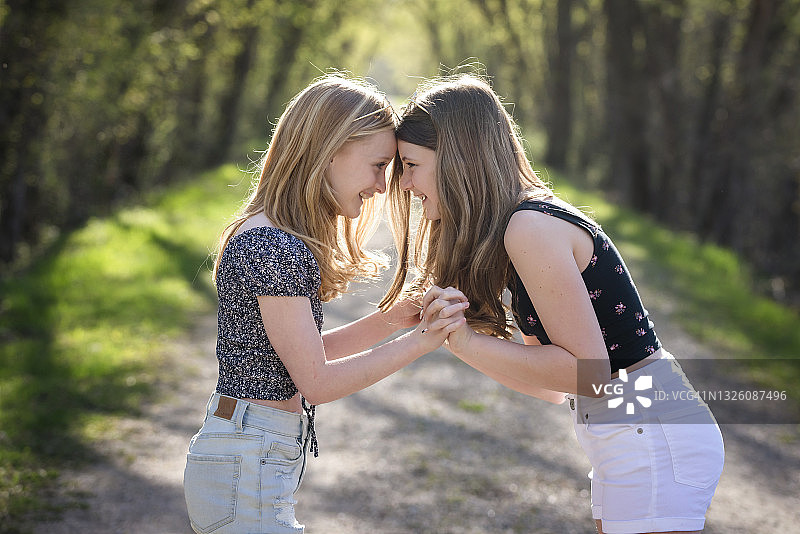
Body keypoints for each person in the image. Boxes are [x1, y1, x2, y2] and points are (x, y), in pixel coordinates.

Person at [380, 74, 724, 534]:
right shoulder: (515, 230)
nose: (404, 184)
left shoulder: (529, 228)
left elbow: (590, 374)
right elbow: (552, 385)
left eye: (410, 165)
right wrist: (454, 339)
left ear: (458, 160)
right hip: (627, 431)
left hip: (648, 431)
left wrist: (463, 341)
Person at [183, 74, 468, 534]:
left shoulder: (268, 232)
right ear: (331, 149)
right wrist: (422, 341)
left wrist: (392, 320)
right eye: (378, 165)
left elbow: (304, 354)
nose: (381, 185)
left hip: (246, 455)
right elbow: (315, 381)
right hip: (247, 463)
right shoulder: (276, 246)